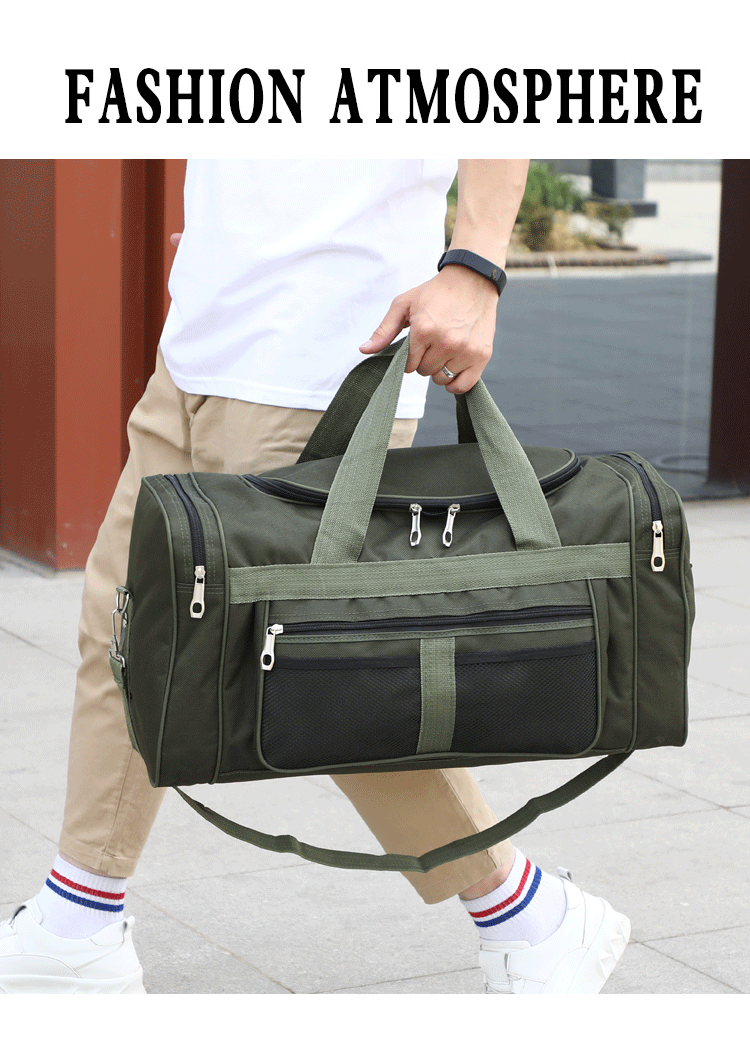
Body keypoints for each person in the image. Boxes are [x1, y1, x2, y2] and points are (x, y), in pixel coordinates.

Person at [0, 159, 630, 995]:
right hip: (200, 347)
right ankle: (79, 920)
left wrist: (476, 264)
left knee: (324, 676)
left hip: (320, 359)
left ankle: (532, 915)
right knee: (124, 630)